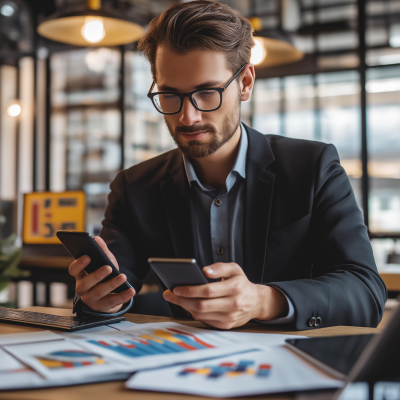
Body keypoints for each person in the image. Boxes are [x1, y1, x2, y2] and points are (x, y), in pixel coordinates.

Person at [68, 0, 387, 330]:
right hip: (182, 367)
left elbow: (365, 292)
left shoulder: (313, 168)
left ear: (245, 83)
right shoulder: (135, 188)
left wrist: (264, 300)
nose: (186, 116)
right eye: (169, 94)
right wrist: (99, 299)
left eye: (206, 93)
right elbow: (114, 292)